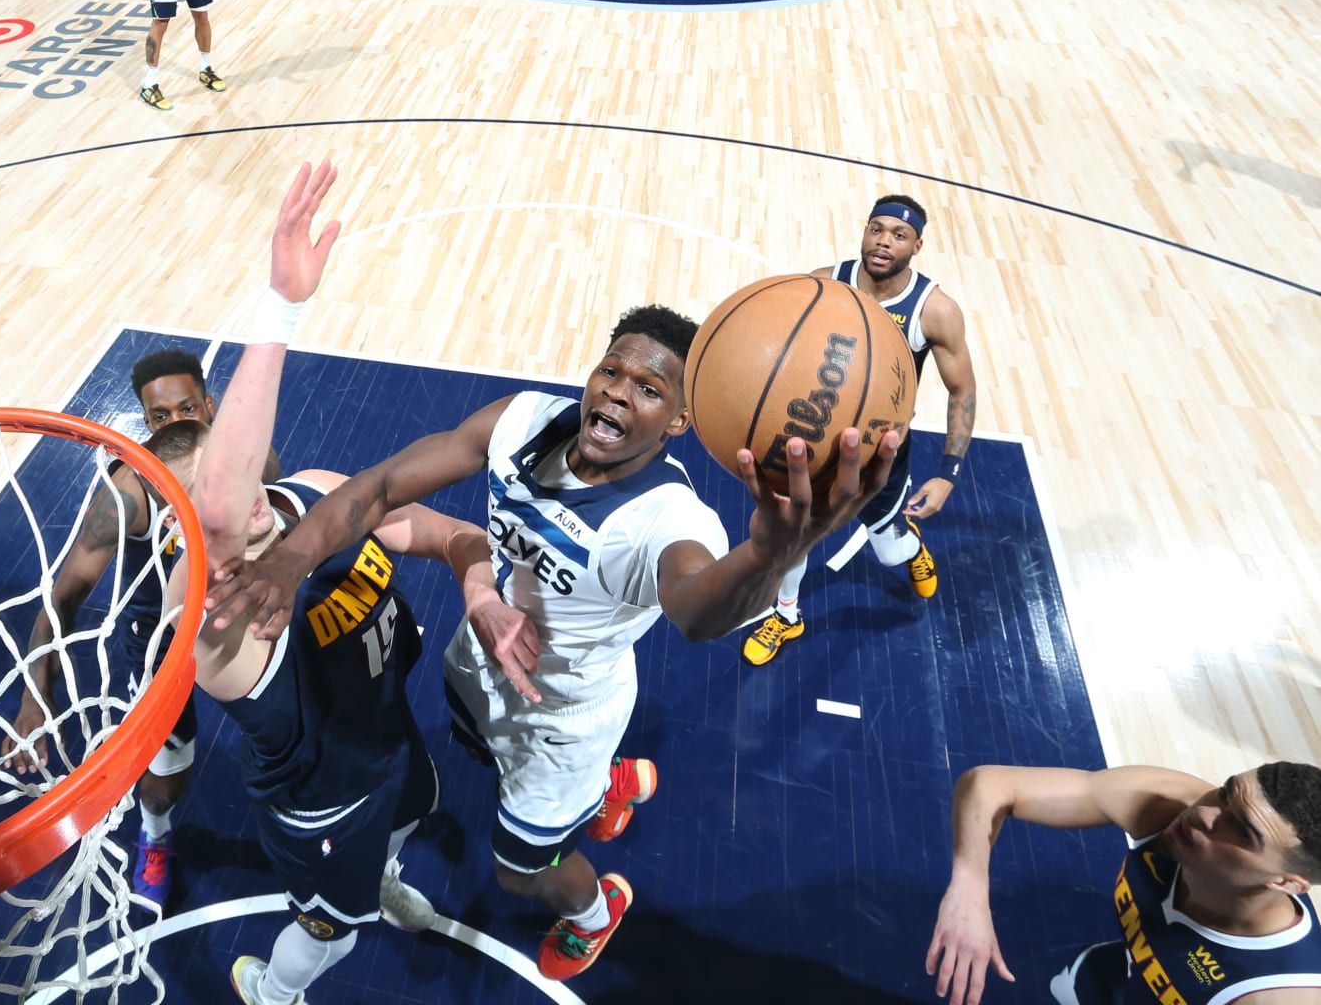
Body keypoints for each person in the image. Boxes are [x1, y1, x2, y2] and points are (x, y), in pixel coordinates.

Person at [207, 295, 900, 981]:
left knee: (520, 871)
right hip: (485, 661)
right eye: (613, 372)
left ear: (681, 420)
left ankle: (596, 914)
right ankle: (609, 791)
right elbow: (383, 485)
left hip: (567, 718)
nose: (620, 395)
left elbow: (696, 612)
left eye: (650, 390)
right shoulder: (522, 421)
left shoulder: (667, 518)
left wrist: (766, 555)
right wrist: (289, 560)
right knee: (473, 747)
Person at [149, 159, 483, 1005]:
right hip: (321, 802)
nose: (250, 504)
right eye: (220, 500)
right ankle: (273, 989)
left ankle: (380, 877)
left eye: (250, 477)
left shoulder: (307, 498)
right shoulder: (218, 620)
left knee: (412, 816)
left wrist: (470, 563)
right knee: (329, 934)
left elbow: (422, 527)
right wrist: (282, 307)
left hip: (389, 739)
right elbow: (221, 511)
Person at [1, 347, 282, 907]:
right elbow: (63, 598)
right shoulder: (128, 496)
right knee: (166, 774)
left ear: (209, 404)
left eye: (186, 408)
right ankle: (155, 837)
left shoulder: (254, 458)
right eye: (159, 417)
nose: (175, 423)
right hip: (162, 638)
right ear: (145, 422)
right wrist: (36, 696)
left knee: (289, 735)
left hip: (240, 613)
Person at [743, 193, 978, 665]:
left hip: (881, 457)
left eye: (899, 235)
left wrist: (948, 474)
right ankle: (787, 617)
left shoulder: (934, 311)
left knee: (889, 552)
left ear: (918, 246)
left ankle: (910, 549)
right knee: (792, 536)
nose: (884, 242)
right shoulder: (824, 284)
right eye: (877, 229)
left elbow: (962, 392)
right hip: (813, 441)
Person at [926, 762, 1321, 1005]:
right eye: (1225, 791)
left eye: (1241, 831)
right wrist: (969, 887)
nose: (1203, 813)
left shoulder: (1275, 993)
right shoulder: (1169, 806)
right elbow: (988, 784)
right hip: (1103, 981)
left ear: (1287, 882)